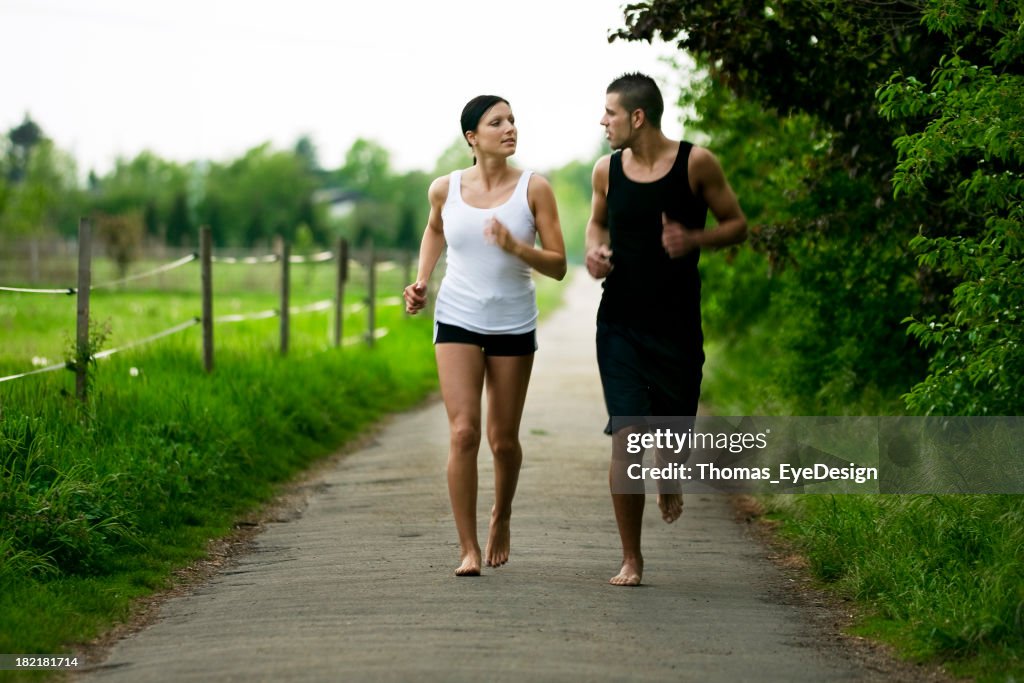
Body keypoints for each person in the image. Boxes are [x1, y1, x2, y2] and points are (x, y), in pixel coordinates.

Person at [585, 73, 748, 586]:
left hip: (677, 325)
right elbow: (596, 223)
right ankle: (631, 557)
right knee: (627, 436)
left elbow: (736, 224)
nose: (602, 122)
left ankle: (671, 471)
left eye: (609, 113)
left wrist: (693, 237)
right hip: (619, 324)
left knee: (672, 433)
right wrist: (595, 252)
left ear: (637, 117)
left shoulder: (696, 163)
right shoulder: (605, 170)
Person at [404, 95, 567, 577]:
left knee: (504, 441)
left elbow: (558, 265)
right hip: (456, 316)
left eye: (512, 120)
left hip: (513, 322)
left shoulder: (535, 189)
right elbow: (435, 230)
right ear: (473, 138)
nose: (509, 128)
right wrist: (421, 281)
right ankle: (468, 547)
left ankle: (502, 515)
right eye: (497, 122)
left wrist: (518, 247)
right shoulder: (445, 188)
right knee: (462, 432)